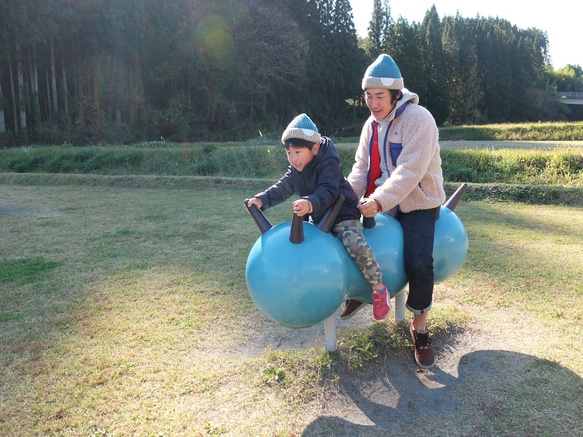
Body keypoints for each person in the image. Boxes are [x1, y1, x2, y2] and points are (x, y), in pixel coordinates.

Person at [342, 54, 446, 369]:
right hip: (383, 199)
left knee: (418, 261)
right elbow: (361, 169)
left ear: (396, 94)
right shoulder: (370, 125)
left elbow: (409, 173)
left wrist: (378, 201)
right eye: (368, 96)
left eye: (379, 96)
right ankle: (363, 291)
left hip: (418, 201)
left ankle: (420, 325)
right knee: (355, 240)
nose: (373, 103)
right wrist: (341, 198)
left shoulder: (419, 119)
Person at [245, 113, 391, 321]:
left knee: (355, 245)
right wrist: (262, 199)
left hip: (343, 214)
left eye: (298, 151)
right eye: (288, 152)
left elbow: (328, 191)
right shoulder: (297, 170)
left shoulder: (328, 164)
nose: (293, 158)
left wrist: (310, 203)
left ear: (314, 148)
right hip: (320, 218)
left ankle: (378, 288)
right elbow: (283, 187)